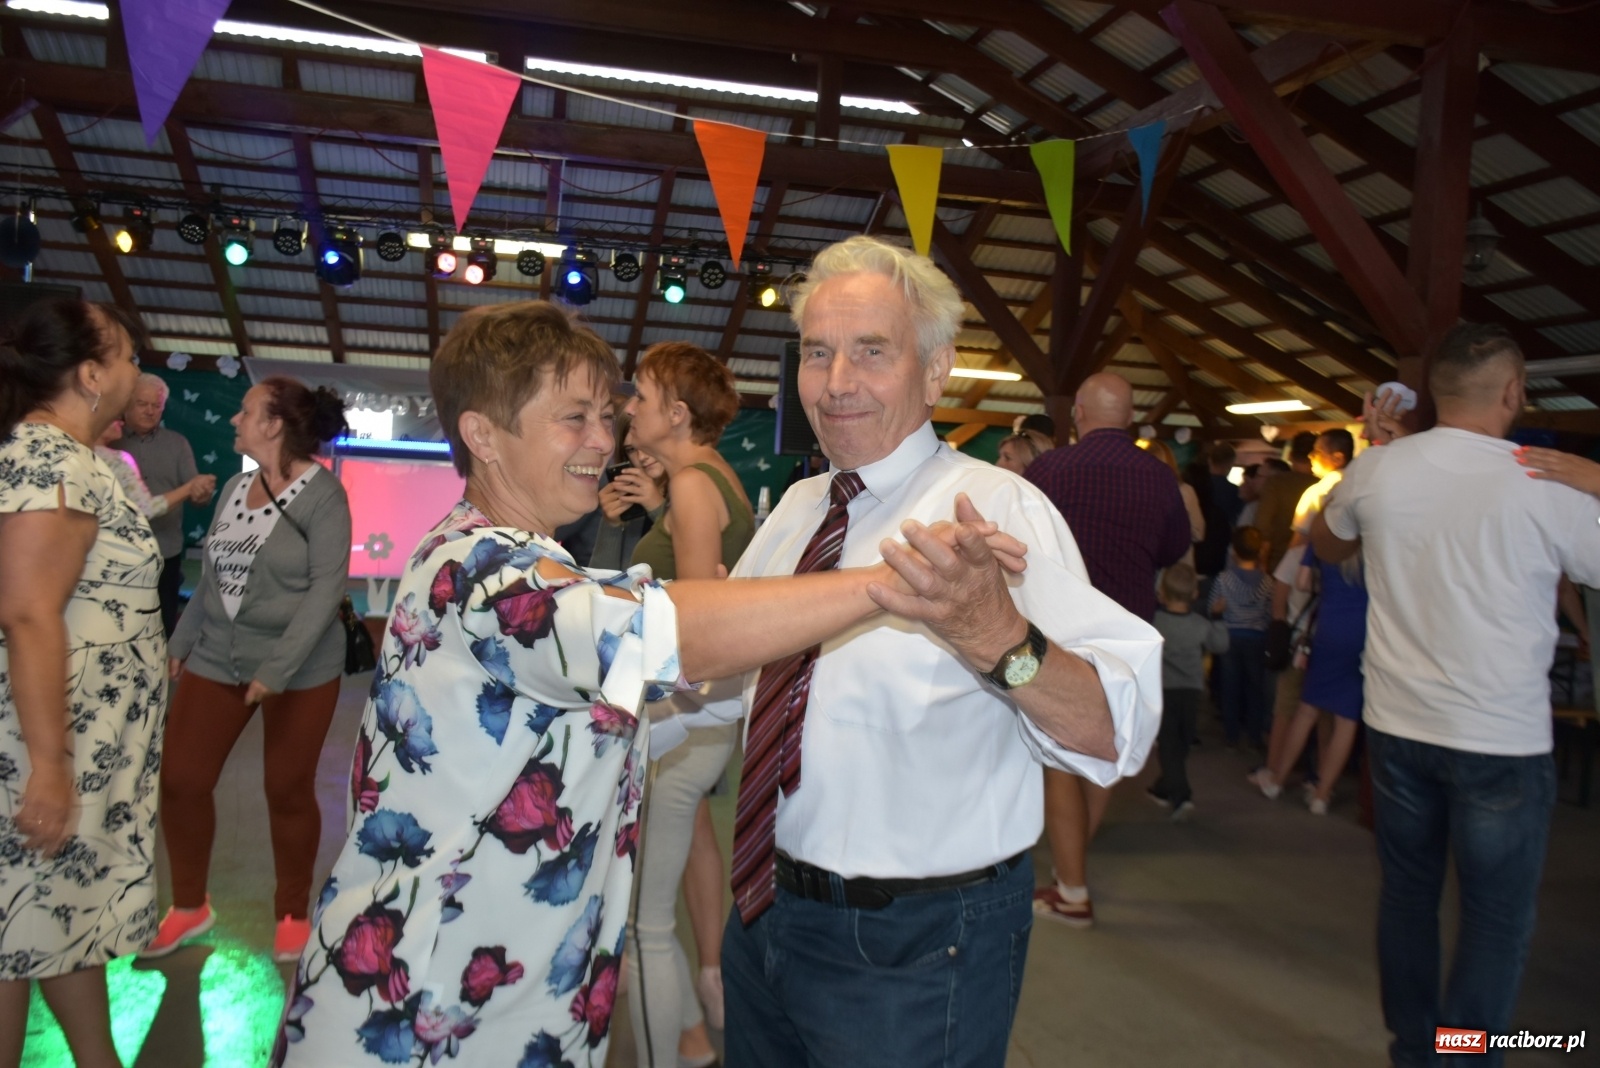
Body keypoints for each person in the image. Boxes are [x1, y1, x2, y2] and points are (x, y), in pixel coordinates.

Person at [270, 299, 1028, 1067]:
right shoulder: (478, 570)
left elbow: (609, 694)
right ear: (482, 435)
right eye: (574, 418)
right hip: (421, 1005)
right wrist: (900, 581)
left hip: (506, 998)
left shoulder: (524, 561)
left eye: (606, 415)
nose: (602, 440)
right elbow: (664, 631)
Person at [661, 237, 1163, 1066]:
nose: (836, 382)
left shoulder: (995, 510)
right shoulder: (796, 509)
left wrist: (998, 637)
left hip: (917, 945)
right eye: (817, 353)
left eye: (871, 352)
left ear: (935, 373)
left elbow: (1115, 728)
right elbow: (730, 690)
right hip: (765, 905)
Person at [1312, 323, 1600, 1068]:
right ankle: (1464, 1056)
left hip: (1399, 727)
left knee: (1408, 897)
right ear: (1512, 392)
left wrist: (1378, 462)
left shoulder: (1378, 470)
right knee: (1495, 917)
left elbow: (1328, 545)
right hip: (1500, 738)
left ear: (1435, 391)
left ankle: (1415, 1047)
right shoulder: (1547, 481)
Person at [0, 299, 164, 1068]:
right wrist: (51, 765)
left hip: (79, 745)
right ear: (91, 373)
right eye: (126, 354)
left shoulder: (84, 461)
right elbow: (29, 612)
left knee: (51, 920)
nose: (136, 369)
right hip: (47, 746)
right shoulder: (48, 460)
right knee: (14, 931)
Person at [145, 378, 353, 963]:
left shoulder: (324, 497)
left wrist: (277, 670)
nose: (234, 419)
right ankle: (189, 906)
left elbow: (324, 591)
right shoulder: (236, 486)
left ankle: (291, 911)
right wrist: (180, 641)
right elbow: (212, 576)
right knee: (182, 781)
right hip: (217, 655)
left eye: (245, 411)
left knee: (285, 788)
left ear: (274, 425)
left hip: (302, 667)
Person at [623, 342, 755, 1067]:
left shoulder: (697, 487)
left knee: (646, 924)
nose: (628, 410)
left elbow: (699, 633)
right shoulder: (702, 480)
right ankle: (694, 1043)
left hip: (685, 731)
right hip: (693, 732)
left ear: (676, 414)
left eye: (639, 398)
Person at [1023, 372, 1188, 928]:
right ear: (1131, 417)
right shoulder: (1160, 478)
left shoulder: (1049, 469)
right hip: (1131, 633)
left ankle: (1071, 887)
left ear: (1079, 416)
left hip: (1063, 629)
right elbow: (1174, 547)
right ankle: (1074, 863)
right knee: (1107, 751)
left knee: (1060, 760)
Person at [1253, 543, 1368, 813]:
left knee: (1307, 710)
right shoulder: (1374, 541)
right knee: (1346, 719)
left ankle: (1276, 781)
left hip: (1328, 627)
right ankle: (1322, 795)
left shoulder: (1321, 540)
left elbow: (1303, 582)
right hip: (1361, 632)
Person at [113, 372, 215, 636]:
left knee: (163, 625)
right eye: (142, 404)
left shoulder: (177, 443)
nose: (150, 411)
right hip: (118, 552)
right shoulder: (110, 441)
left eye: (156, 405)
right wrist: (190, 488)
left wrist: (201, 492)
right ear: (126, 404)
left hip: (165, 552)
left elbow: (197, 496)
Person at [1148, 563, 1228, 820]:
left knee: (1169, 743)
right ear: (1195, 594)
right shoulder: (1201, 624)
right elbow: (1220, 645)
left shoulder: (1156, 622)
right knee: (1182, 741)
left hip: (1164, 690)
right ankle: (1175, 792)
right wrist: (1217, 618)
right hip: (1192, 691)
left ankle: (1172, 791)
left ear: (1161, 593)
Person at [1209, 526, 1273, 750]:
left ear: (1233, 551)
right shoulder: (1267, 582)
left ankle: (1231, 734)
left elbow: (1213, 608)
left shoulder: (1224, 579)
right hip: (1256, 638)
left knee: (1230, 686)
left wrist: (1219, 611)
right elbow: (1269, 613)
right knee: (1255, 688)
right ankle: (1254, 734)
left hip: (1230, 637)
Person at [94, 416, 214, 520]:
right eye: (115, 417)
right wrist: (190, 487)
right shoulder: (117, 459)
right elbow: (145, 509)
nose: (121, 422)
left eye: (156, 406)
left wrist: (199, 490)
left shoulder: (77, 453)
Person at [591, 418, 666, 572]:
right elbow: (601, 579)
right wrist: (611, 524)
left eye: (647, 443)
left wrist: (657, 507)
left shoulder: (694, 488)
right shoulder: (629, 498)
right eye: (631, 449)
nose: (642, 456)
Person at [1255, 431, 1318, 572]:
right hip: (1311, 567)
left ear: (1290, 455)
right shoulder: (1323, 485)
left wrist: (1262, 565)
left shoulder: (1276, 483)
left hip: (1276, 563)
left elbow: (1262, 526)